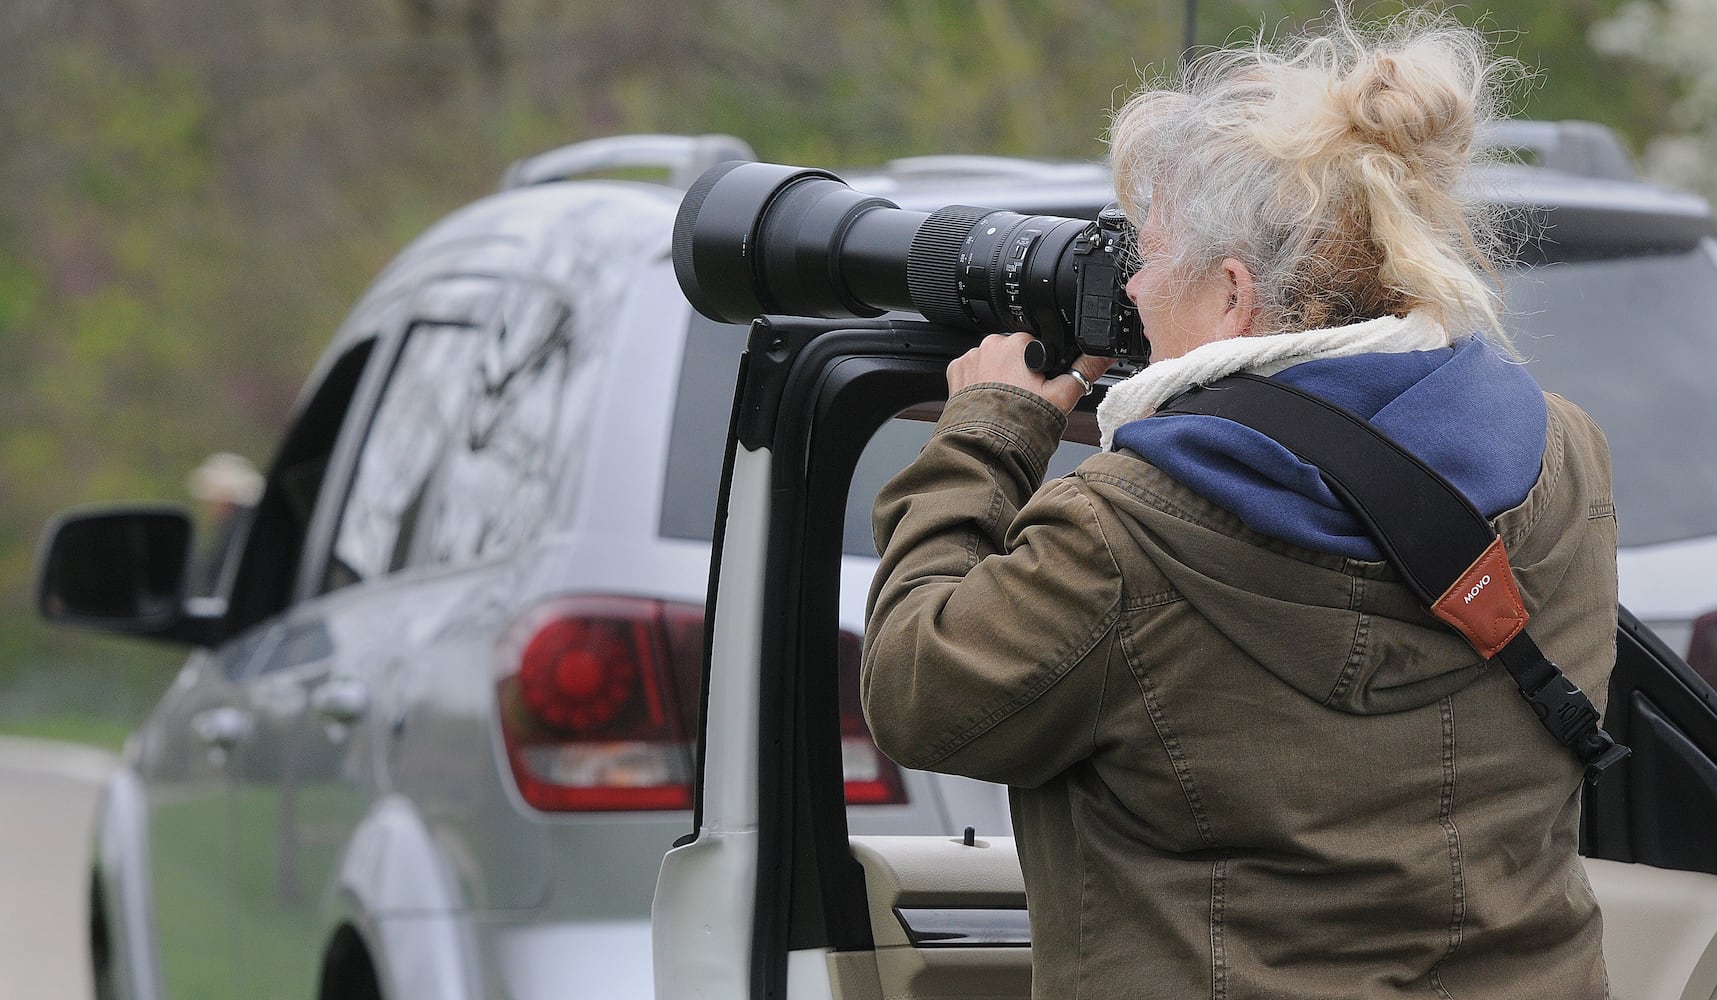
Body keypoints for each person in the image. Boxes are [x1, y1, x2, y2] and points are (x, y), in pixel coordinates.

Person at [862, 9, 1618, 998]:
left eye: (1145, 254)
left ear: (1229, 293)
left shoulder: (1124, 534)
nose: (1128, 287)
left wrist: (989, 427)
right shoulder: (1563, 455)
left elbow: (918, 692)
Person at [185, 451, 263, 596]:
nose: (205, 506)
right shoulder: (244, 528)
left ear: (224, 498)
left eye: (209, 499)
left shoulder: (237, 535)